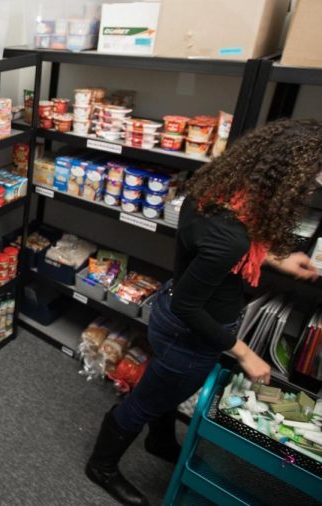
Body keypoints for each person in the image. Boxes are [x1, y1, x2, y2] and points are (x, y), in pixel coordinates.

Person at [85, 118, 322, 505]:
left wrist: (277, 259)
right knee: (144, 401)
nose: (309, 190)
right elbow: (190, 304)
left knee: (159, 389)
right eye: (309, 182)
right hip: (189, 334)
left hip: (169, 312)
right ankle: (101, 466)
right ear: (286, 177)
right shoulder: (231, 237)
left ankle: (159, 441)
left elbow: (214, 249)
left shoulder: (222, 190)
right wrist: (245, 354)